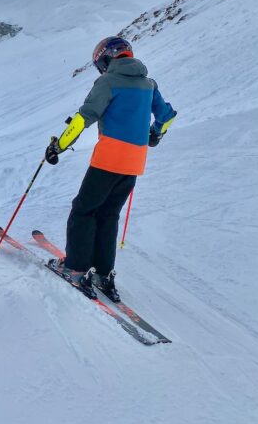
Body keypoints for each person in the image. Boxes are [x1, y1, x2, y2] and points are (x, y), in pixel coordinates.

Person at [44, 36, 176, 301]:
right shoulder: (149, 84)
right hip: (134, 162)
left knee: (83, 211)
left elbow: (84, 118)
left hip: (108, 159)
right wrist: (155, 135)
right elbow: (167, 116)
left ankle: (76, 269)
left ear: (106, 58)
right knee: (108, 215)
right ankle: (103, 274)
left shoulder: (108, 82)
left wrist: (59, 146)